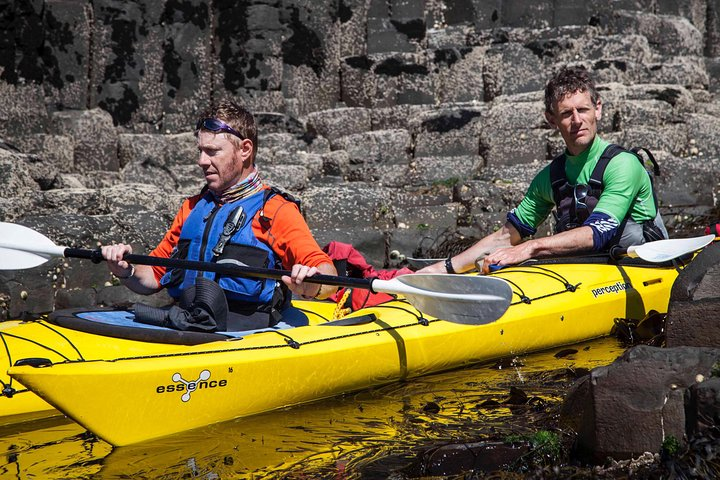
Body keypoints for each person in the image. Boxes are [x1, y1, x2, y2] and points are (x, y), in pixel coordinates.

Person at [102, 101, 337, 328]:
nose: (201, 161)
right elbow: (154, 274)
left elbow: (328, 275)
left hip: (246, 329)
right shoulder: (192, 208)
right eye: (201, 151)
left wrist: (312, 283)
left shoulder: (275, 211)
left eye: (213, 152)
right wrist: (126, 270)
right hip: (188, 321)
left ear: (245, 150)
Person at [420, 66, 668, 275]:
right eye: (566, 113)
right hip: (586, 275)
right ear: (552, 120)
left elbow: (597, 234)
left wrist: (530, 248)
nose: (577, 120)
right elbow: (506, 237)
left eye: (583, 110)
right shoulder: (550, 178)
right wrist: (442, 269)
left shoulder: (623, 165)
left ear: (598, 109)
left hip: (643, 272)